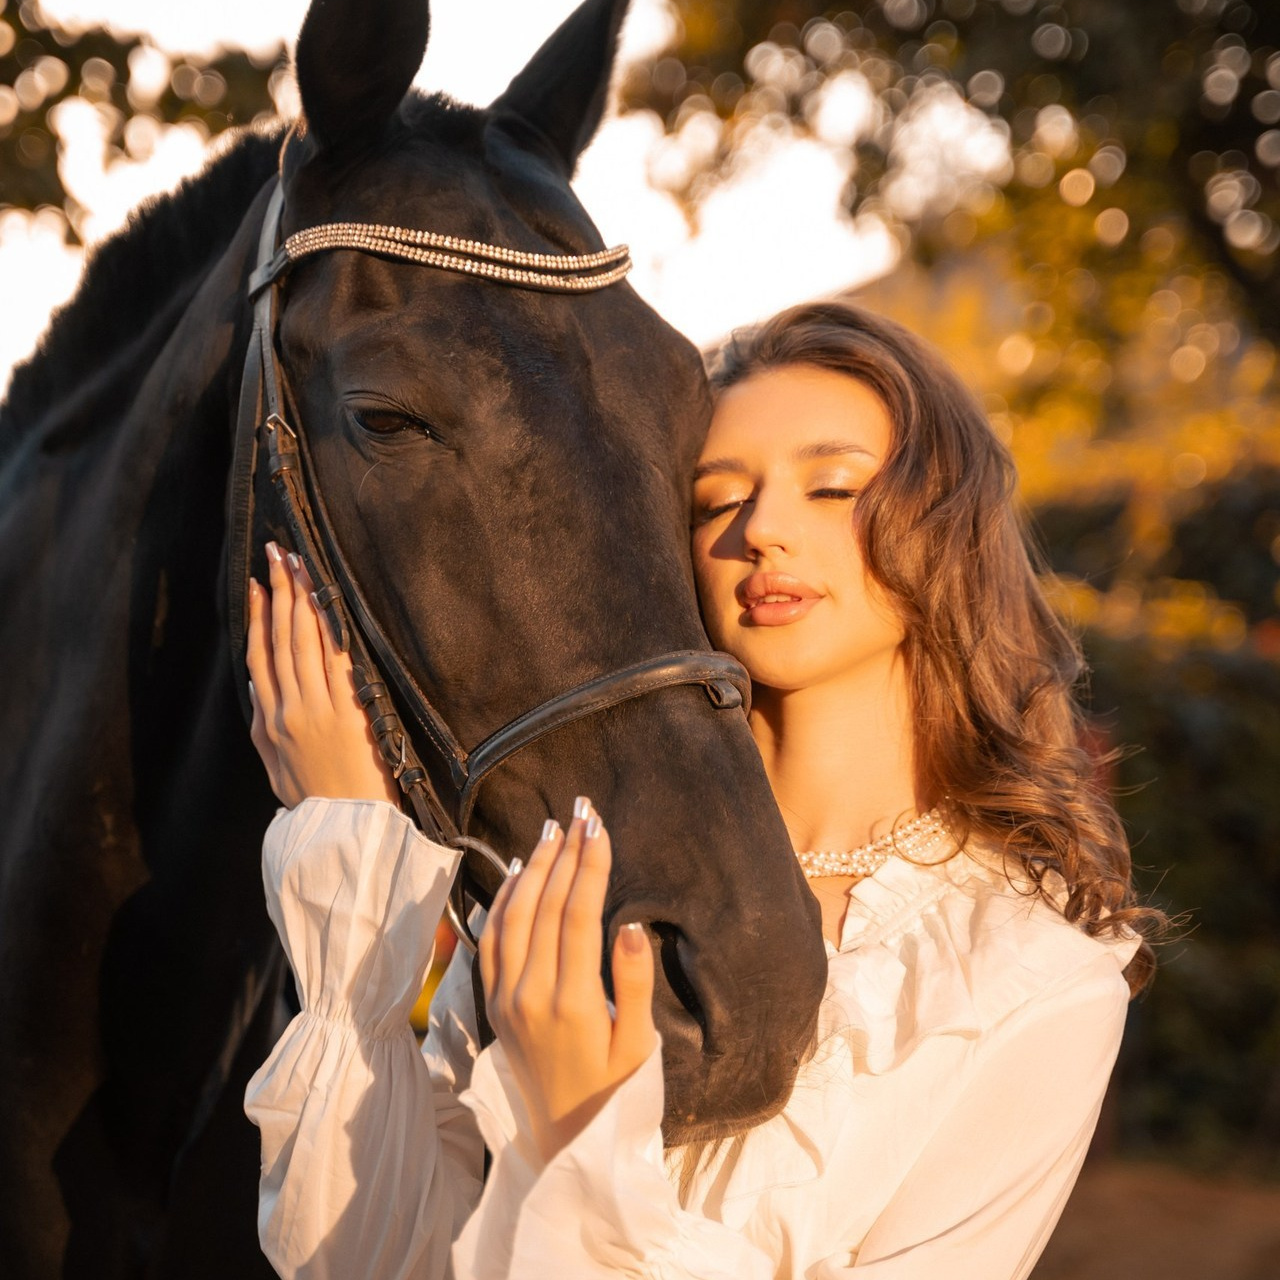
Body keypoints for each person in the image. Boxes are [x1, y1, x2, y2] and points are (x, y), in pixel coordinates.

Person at [243, 301, 1162, 1279]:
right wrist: (349, 847)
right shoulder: (585, 872)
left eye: (830, 485)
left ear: (944, 522)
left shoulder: (1028, 978)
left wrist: (574, 1129)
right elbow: (365, 1259)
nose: (761, 531)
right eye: (715, 502)